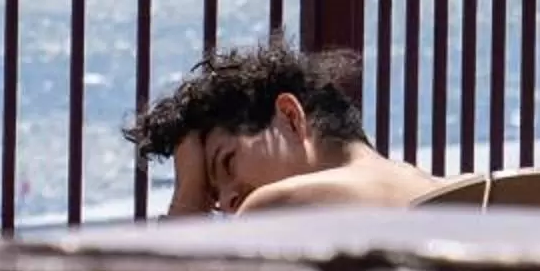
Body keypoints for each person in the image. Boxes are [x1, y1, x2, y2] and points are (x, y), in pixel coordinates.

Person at [126, 39, 435, 216]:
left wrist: (188, 203)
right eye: (215, 201)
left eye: (228, 163)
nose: (232, 202)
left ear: (289, 116)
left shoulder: (274, 206)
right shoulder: (464, 192)